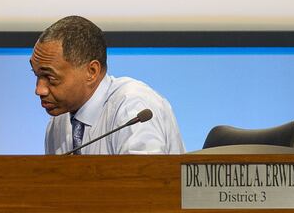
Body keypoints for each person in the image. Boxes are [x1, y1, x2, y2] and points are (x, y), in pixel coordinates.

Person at [31, 16, 185, 154]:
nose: (39, 90)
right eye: (36, 75)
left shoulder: (133, 107)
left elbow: (144, 181)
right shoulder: (59, 123)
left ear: (91, 71)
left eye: (50, 78)